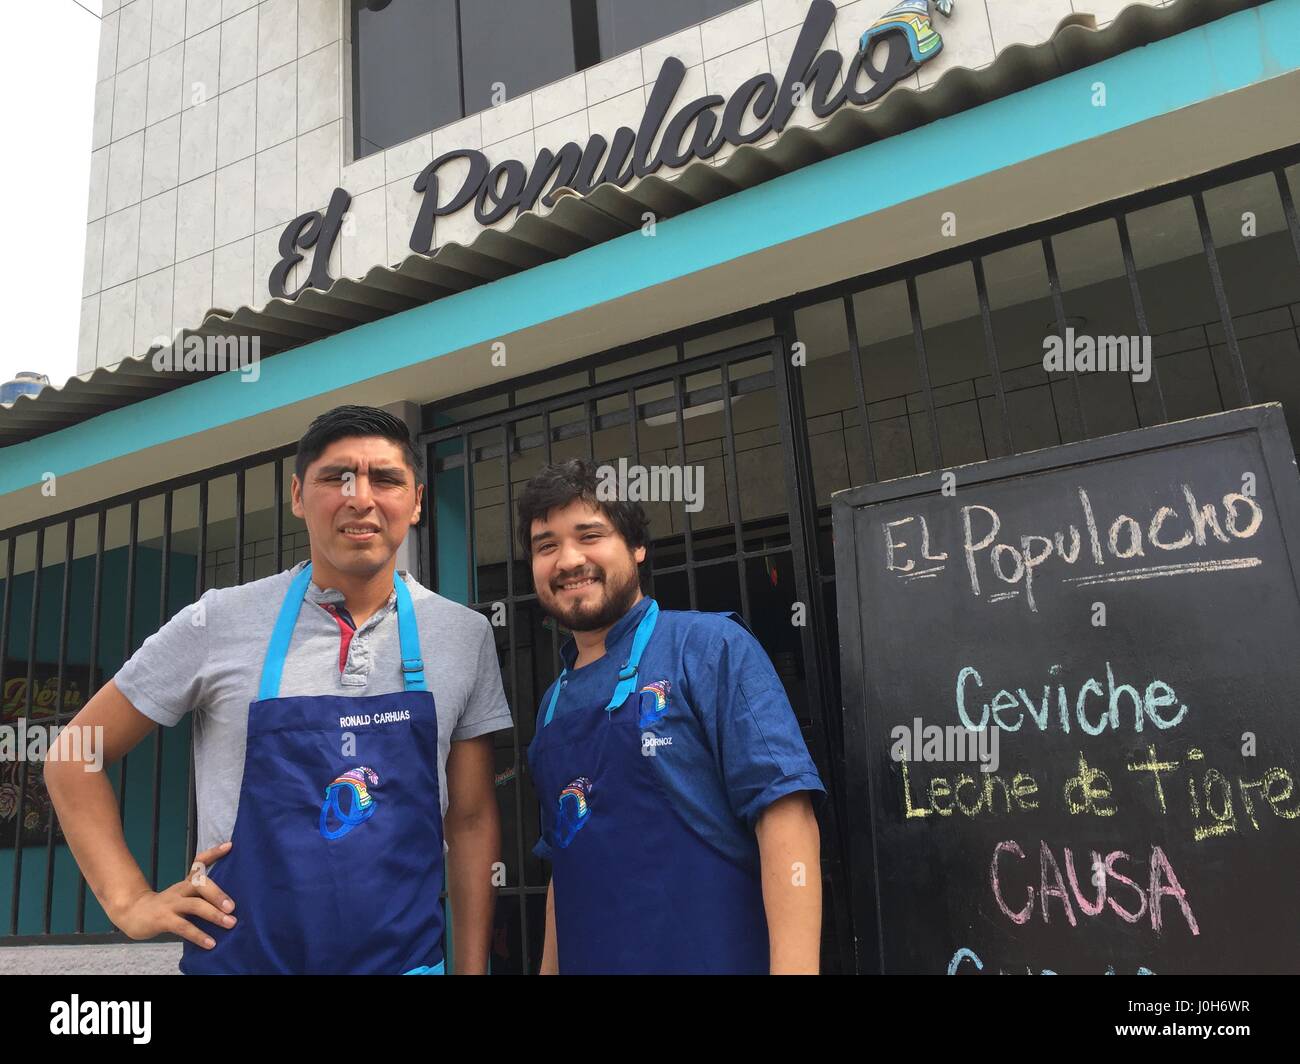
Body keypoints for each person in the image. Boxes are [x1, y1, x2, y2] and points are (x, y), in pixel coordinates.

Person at [46, 405, 512, 974]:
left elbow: (468, 821)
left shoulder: (464, 636)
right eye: (336, 477)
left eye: (385, 479)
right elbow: (73, 755)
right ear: (298, 495)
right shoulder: (217, 620)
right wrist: (130, 902)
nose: (360, 498)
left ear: (415, 501)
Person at [519, 458, 825, 974]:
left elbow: (785, 817)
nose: (568, 560)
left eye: (589, 535)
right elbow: (563, 868)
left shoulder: (708, 648)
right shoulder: (552, 703)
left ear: (637, 548)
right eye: (546, 545)